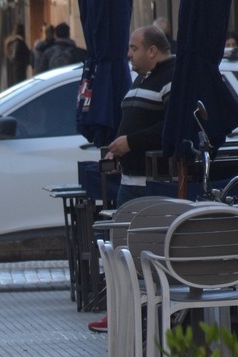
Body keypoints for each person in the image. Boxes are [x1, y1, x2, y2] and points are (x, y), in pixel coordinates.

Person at [92, 25, 174, 334]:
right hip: (129, 180)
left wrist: (132, 143)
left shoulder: (171, 78)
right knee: (119, 250)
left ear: (152, 51)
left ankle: (142, 313)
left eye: (134, 48)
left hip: (151, 185)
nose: (128, 54)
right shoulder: (141, 78)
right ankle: (119, 311)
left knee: (141, 253)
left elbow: (169, 127)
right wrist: (119, 152)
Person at [4, 24, 31, 88]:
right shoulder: (18, 42)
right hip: (19, 70)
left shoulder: (17, 41)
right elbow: (15, 56)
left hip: (20, 69)